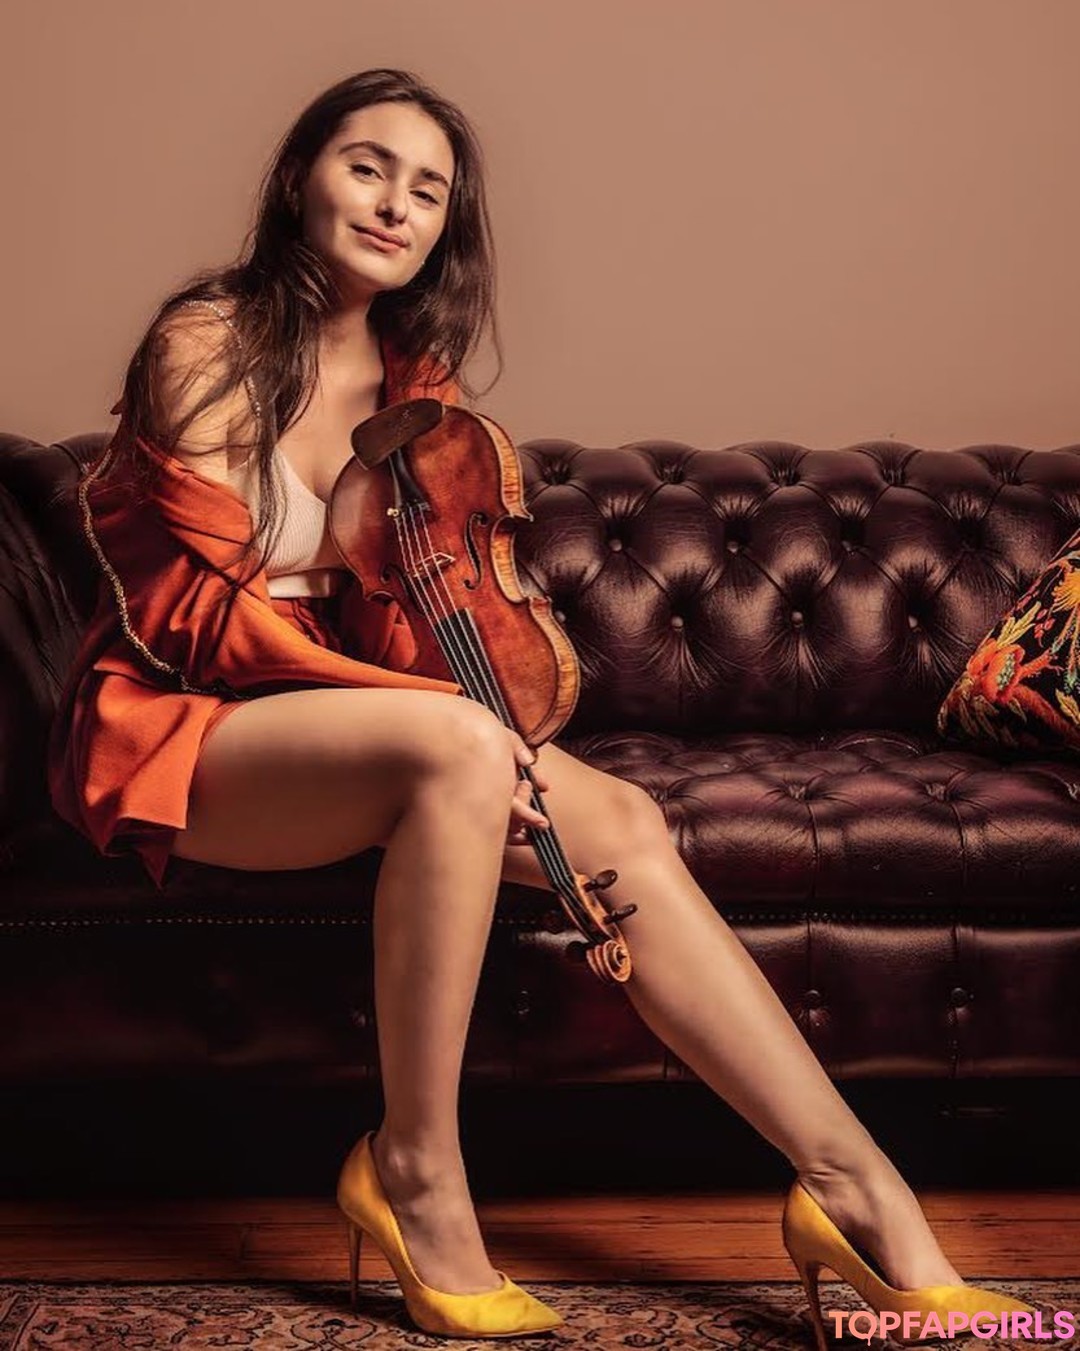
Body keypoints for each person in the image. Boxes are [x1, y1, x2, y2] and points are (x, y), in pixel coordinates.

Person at [47, 68, 1037, 1343]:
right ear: (299, 178)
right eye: (367, 166)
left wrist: (449, 666)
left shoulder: (416, 384)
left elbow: (415, 618)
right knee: (463, 748)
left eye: (427, 190)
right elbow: (194, 617)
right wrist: (449, 724)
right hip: (185, 722)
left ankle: (859, 1191)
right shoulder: (207, 340)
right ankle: (416, 1170)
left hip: (355, 723)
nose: (395, 205)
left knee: (622, 823)